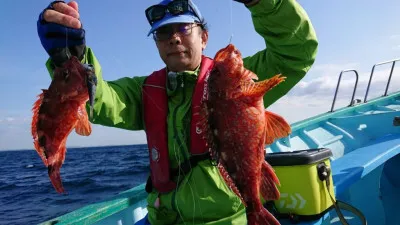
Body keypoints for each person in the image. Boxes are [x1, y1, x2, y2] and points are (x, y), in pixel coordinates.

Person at [37, 0, 318, 224]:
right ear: (157, 43)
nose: (173, 38)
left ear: (204, 37)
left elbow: (296, 53)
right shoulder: (144, 91)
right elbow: (98, 100)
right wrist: (69, 60)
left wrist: (264, 3)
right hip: (160, 218)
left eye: (183, 28)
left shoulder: (239, 81)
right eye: (163, 33)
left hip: (225, 219)